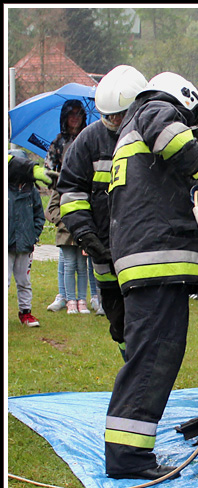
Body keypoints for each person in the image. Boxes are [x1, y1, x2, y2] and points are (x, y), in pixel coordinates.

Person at [104, 71, 198, 480]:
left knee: (151, 358)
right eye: (189, 119)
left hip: (145, 260)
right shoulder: (155, 109)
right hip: (154, 262)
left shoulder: (129, 131)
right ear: (182, 99)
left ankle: (128, 454)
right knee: (152, 361)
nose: (190, 129)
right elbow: (176, 141)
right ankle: (129, 459)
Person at [58, 64, 149, 358]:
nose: (113, 121)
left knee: (147, 315)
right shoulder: (88, 141)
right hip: (103, 248)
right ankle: (129, 358)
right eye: (108, 115)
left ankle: (141, 368)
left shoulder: (151, 137)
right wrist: (86, 235)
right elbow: (71, 193)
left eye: (119, 115)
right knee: (117, 316)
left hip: (143, 247)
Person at [45, 99, 87, 313]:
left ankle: (80, 297)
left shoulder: (88, 138)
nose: (75, 118)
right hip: (62, 195)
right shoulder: (58, 142)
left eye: (79, 114)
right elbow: (48, 170)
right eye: (71, 114)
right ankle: (64, 295)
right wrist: (60, 179)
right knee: (66, 254)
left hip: (84, 195)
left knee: (80, 257)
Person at [8, 149, 47, 327]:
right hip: (7, 243)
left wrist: (33, 234)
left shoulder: (31, 191)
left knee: (24, 281)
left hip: (25, 244)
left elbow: (39, 215)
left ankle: (26, 313)